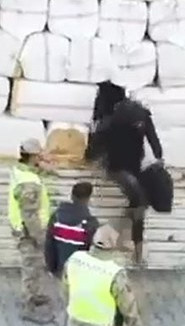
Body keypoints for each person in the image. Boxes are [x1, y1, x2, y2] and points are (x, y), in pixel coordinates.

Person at [85, 82, 164, 264]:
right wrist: (159, 159)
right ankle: (136, 250)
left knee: (139, 202)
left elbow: (92, 152)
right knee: (139, 203)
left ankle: (122, 235)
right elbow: (154, 141)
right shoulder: (141, 114)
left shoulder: (109, 122)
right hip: (134, 167)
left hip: (116, 168)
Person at [8, 138, 57, 324]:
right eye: (39, 154)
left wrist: (45, 168)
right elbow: (30, 215)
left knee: (33, 267)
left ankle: (34, 295)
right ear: (33, 156)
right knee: (31, 267)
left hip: (22, 228)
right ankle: (28, 306)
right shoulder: (29, 184)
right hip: (29, 233)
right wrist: (40, 238)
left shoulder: (20, 171)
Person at [62, 225, 143, 326]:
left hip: (74, 321)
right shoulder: (115, 272)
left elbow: (66, 290)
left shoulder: (74, 259)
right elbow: (129, 309)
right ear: (114, 246)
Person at [45, 181, 100, 278]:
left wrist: (51, 268)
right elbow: (94, 252)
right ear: (89, 199)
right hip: (81, 273)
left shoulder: (56, 217)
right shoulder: (90, 223)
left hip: (60, 270)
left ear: (71, 196)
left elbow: (49, 244)